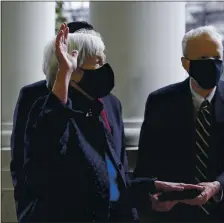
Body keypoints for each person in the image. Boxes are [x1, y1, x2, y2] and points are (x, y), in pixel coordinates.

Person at [10, 22, 199, 222]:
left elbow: (107, 179)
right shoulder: (49, 109)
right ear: (74, 70)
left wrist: (150, 187)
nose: (105, 68)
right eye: (97, 63)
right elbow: (44, 158)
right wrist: (63, 74)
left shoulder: (95, 110)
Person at [134, 25, 224, 223]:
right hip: (175, 211)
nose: (211, 64)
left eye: (216, 58)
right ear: (185, 64)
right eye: (202, 59)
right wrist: (152, 196)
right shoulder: (160, 101)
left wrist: (217, 186)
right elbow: (147, 162)